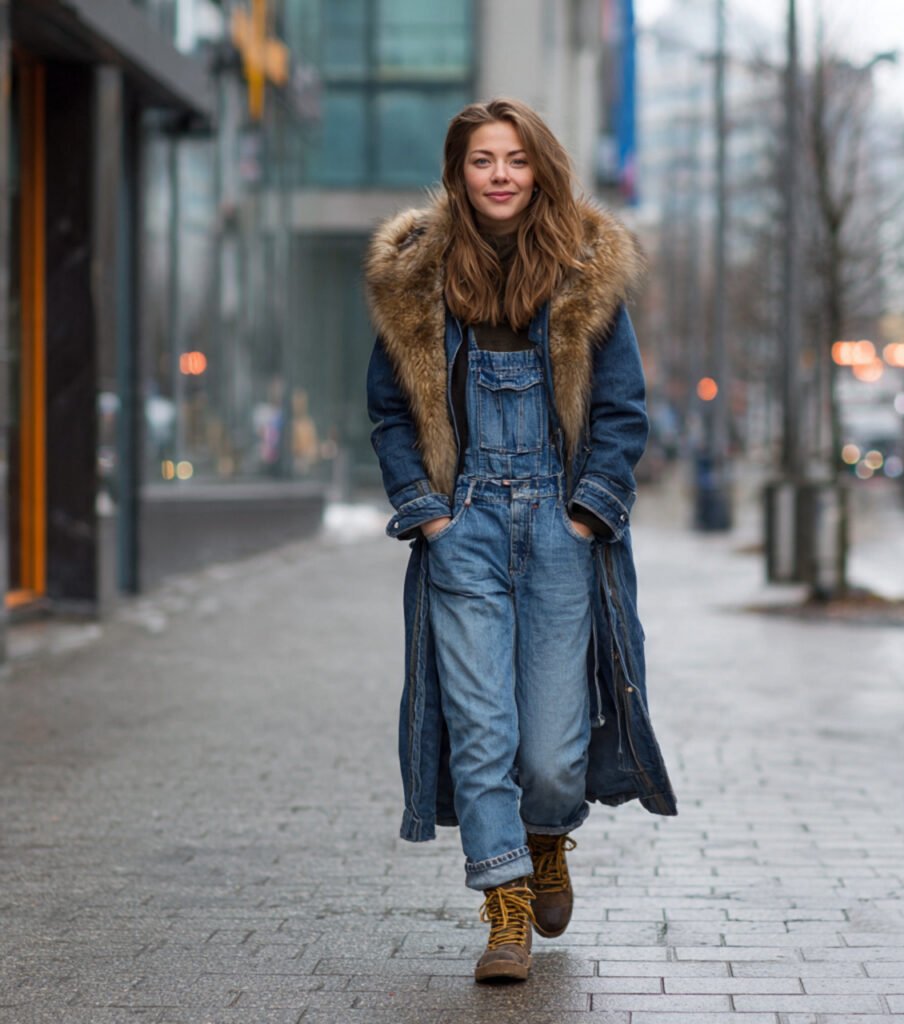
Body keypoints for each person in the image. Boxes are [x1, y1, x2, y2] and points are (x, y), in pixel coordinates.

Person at [365, 98, 676, 984]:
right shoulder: (417, 276)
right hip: (463, 527)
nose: (499, 175)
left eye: (515, 159)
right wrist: (430, 514)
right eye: (481, 160)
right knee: (481, 730)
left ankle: (545, 837)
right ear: (457, 173)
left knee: (550, 754)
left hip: (558, 530)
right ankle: (503, 907)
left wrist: (585, 515)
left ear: (540, 169)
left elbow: (620, 411)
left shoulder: (585, 269)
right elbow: (390, 413)